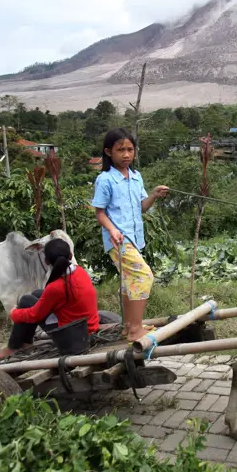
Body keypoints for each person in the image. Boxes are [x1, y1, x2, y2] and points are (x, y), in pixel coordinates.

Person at [91, 128, 170, 342]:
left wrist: (154, 194)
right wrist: (112, 229)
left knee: (128, 283)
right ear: (108, 152)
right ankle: (136, 329)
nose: (126, 154)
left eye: (130, 149)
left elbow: (141, 208)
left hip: (135, 239)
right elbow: (100, 212)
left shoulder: (136, 178)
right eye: (120, 150)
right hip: (118, 241)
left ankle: (128, 326)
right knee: (143, 276)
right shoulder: (105, 179)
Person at [0, 238, 100, 360]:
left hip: (72, 334)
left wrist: (14, 314)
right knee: (38, 293)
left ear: (47, 261)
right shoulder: (80, 272)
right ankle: (26, 343)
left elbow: (34, 315)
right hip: (88, 326)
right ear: (70, 255)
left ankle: (13, 346)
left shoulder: (56, 287)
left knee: (26, 301)